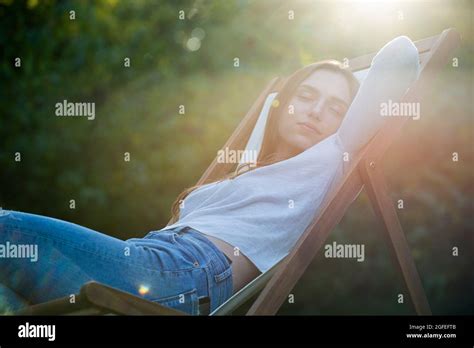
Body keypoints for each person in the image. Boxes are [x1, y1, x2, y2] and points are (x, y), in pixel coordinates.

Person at [0, 36, 420, 315]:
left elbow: (401, 56)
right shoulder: (245, 170)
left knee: (6, 229)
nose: (315, 111)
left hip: (185, 274)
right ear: (285, 104)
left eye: (336, 107)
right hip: (150, 257)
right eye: (306, 96)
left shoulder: (334, 157)